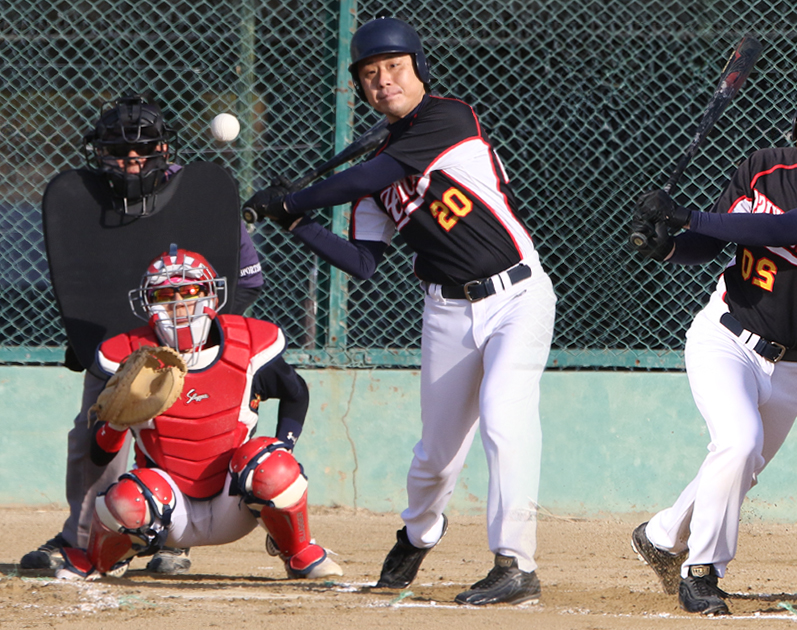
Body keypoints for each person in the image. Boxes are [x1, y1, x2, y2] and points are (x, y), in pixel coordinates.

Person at [241, 17, 556, 606]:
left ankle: (516, 564)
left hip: (517, 294)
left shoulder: (448, 117)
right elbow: (361, 260)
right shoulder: (374, 173)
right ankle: (417, 535)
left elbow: (374, 172)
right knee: (435, 455)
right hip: (447, 310)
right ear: (361, 89)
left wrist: (291, 198)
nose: (384, 81)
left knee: (504, 417)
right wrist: (298, 222)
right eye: (370, 74)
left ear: (417, 69)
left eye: (394, 68)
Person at [626, 72, 797, 615]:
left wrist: (685, 214)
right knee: (739, 442)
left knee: (736, 464)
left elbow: (791, 228)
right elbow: (713, 239)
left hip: (795, 365)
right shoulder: (761, 167)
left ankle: (660, 535)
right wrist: (670, 245)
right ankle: (703, 572)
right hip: (726, 337)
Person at [23, 94, 265, 576]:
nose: (130, 162)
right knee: (94, 432)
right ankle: (82, 538)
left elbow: (250, 278)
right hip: (123, 347)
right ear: (97, 152)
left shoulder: (202, 199)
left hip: (194, 349)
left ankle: (174, 540)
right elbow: (82, 280)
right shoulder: (84, 203)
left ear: (164, 149)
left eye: (142, 150)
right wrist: (88, 337)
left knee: (189, 436)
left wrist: (203, 338)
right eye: (117, 151)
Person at [55, 246, 339, 581]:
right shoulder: (129, 357)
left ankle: (298, 550)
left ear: (211, 295)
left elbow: (297, 393)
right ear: (147, 303)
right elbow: (99, 455)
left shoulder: (249, 343)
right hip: (168, 506)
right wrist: (116, 423)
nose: (178, 304)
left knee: (273, 467)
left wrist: (282, 448)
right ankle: (103, 559)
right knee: (126, 500)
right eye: (164, 294)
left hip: (233, 501)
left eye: (190, 292)